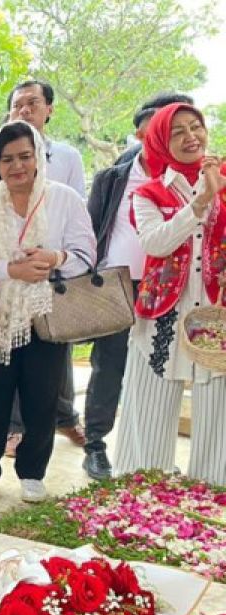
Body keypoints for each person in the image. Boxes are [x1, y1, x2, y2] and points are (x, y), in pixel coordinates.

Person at [0, 122, 95, 503]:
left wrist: (55, 258)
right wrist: (9, 271)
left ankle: (33, 471)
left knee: (42, 398)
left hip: (47, 315)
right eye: (7, 159)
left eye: (24, 156)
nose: (17, 166)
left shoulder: (64, 199)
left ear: (37, 158)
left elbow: (86, 254)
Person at [80, 92, 194, 479]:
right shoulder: (114, 176)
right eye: (156, 132)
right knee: (108, 367)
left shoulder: (182, 177)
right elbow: (93, 226)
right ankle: (95, 445)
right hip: (117, 284)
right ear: (141, 133)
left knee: (157, 369)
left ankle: (151, 452)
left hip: (169, 289)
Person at [115, 102, 226, 486]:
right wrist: (200, 202)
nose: (190, 136)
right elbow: (156, 242)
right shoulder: (148, 193)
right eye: (177, 131)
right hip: (162, 315)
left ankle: (213, 499)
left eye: (195, 127)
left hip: (215, 316)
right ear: (161, 140)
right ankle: (138, 496)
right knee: (148, 410)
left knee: (219, 418)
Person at [2, 79, 87, 450]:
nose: (24, 109)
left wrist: (58, 257)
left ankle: (66, 418)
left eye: (32, 103)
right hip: (12, 271)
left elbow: (77, 209)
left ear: (49, 109)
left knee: (57, 346)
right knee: (12, 346)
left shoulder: (67, 157)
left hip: (55, 269)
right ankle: (14, 427)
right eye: (17, 104)